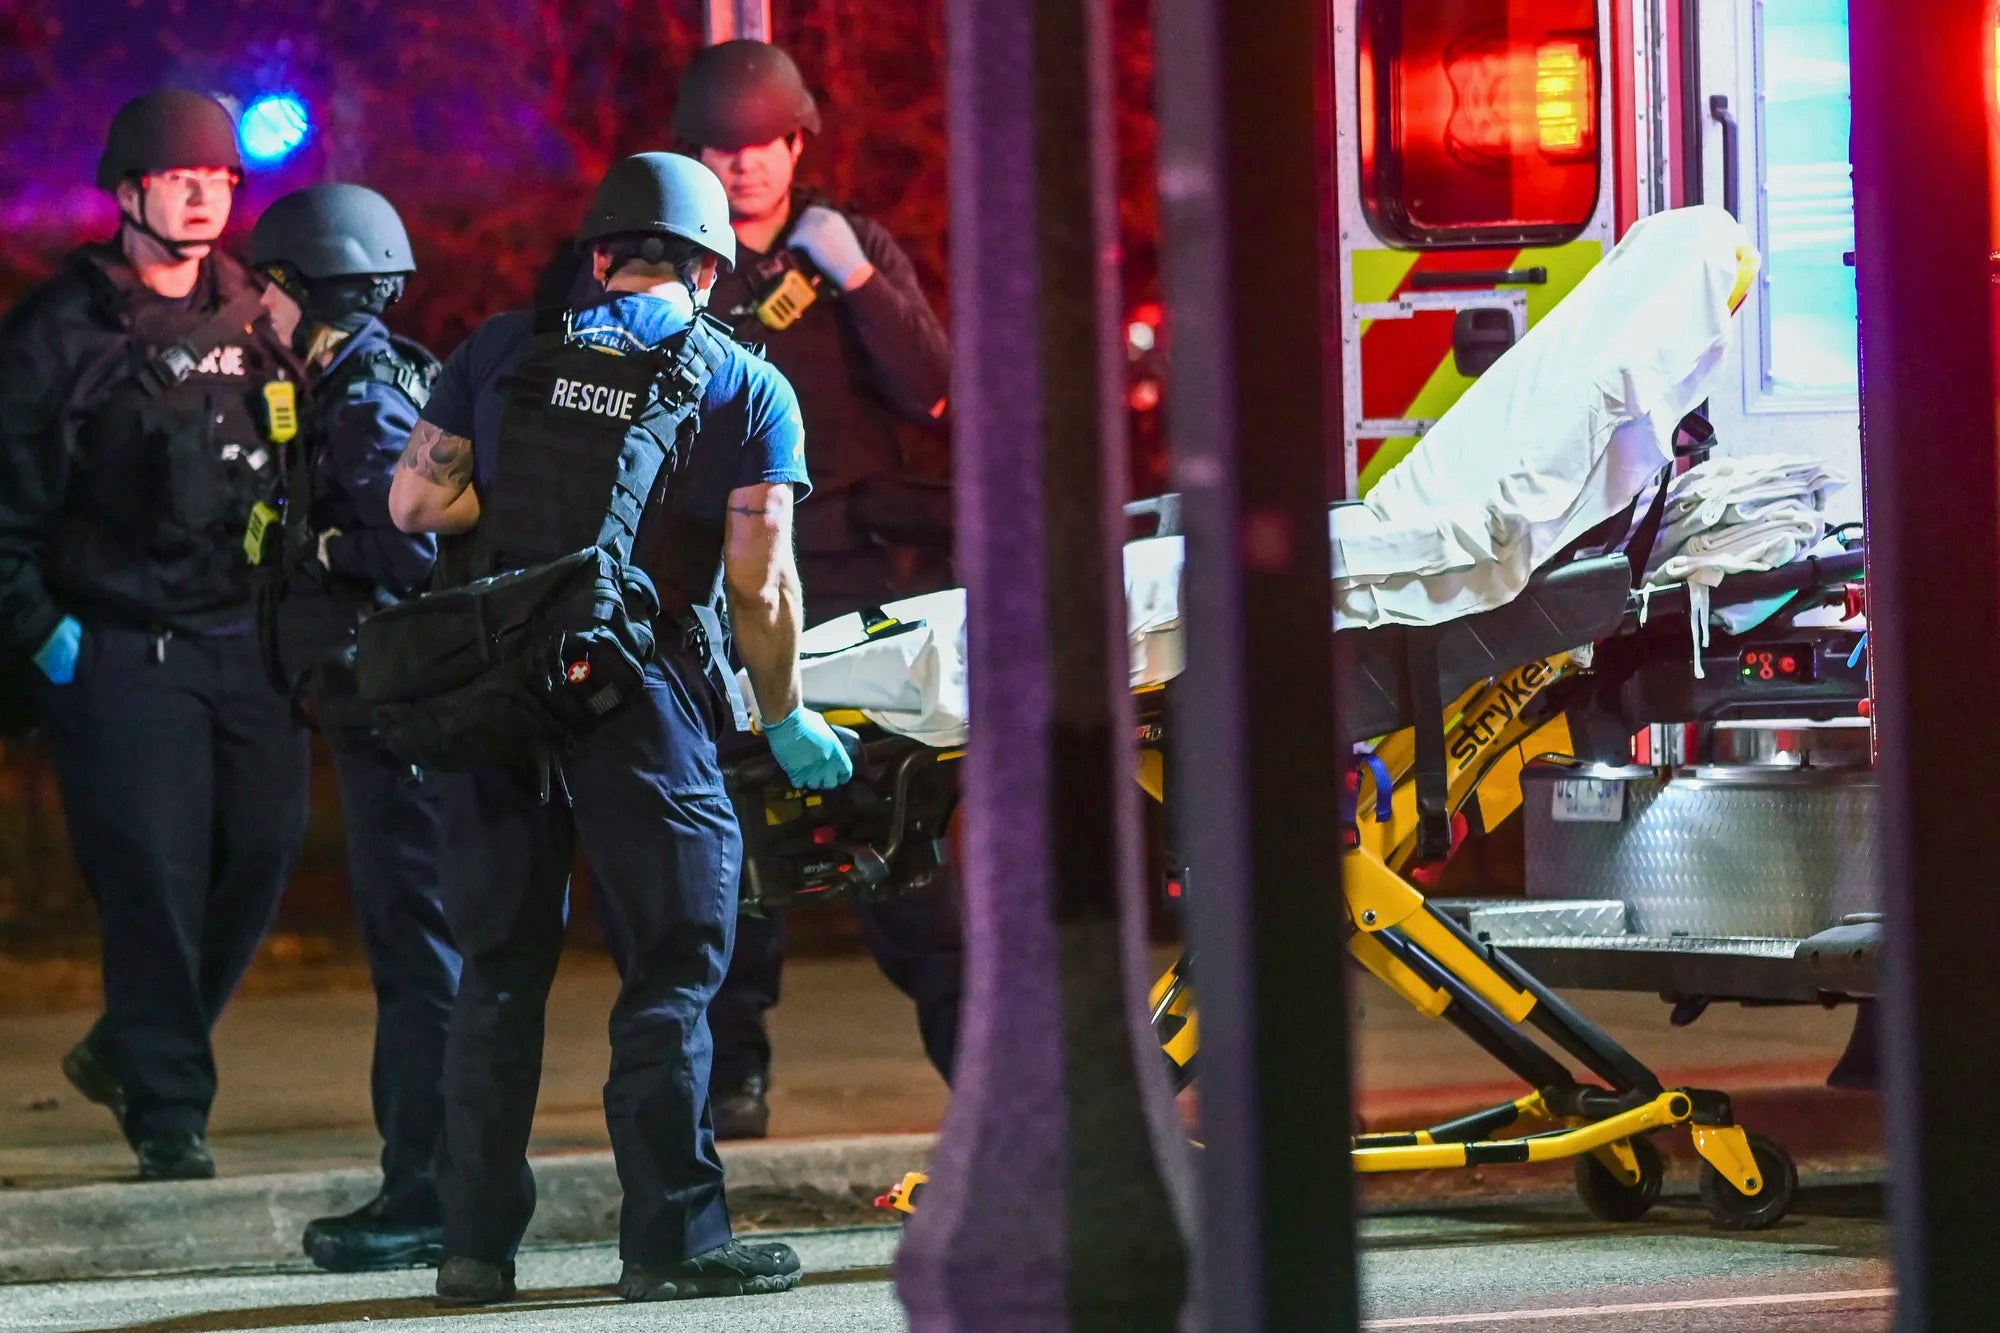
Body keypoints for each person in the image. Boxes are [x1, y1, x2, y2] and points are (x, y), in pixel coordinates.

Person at [384, 150, 852, 1305]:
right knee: (672, 970)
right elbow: (762, 588)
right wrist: (786, 715)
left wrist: (522, 529)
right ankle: (671, 1242)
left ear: (598, 257)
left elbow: (413, 503)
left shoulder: (495, 347)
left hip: (493, 696)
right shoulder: (746, 385)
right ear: (709, 269)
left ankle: (473, 1248)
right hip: (635, 699)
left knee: (495, 969)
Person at [0, 89, 311, 1182]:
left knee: (262, 853)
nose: (200, 192)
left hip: (245, 643)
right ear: (128, 190)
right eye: (178, 176)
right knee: (153, 880)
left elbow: (324, 453)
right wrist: (49, 638)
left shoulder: (268, 315)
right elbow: (5, 512)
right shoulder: (56, 335)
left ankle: (130, 1048)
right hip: (122, 649)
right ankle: (169, 1108)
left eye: (219, 176)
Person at [672, 38, 964, 1138]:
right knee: (732, 837)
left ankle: (984, 1079)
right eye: (722, 148)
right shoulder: (670, 257)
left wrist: (853, 275)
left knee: (900, 825)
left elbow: (931, 387)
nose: (743, 167)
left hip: (846, 576)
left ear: (797, 144)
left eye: (762, 146)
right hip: (713, 588)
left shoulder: (844, 247)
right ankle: (729, 1073)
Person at [246, 184, 457, 1271]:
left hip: (400, 721)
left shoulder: (366, 398)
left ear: (306, 291)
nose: (259, 309)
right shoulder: (362, 379)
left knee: (420, 957)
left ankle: (425, 1193)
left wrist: (328, 555)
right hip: (387, 714)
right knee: (423, 952)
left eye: (268, 288)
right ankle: (435, 1185)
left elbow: (412, 546)